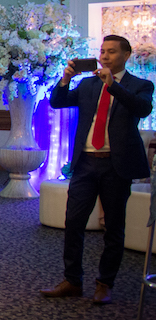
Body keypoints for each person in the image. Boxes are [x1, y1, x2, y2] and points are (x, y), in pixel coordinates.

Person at [42, 35, 154, 304]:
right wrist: (65, 79)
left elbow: (142, 109)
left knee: (113, 227)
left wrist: (113, 85)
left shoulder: (140, 85)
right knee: (73, 223)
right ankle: (72, 280)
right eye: (102, 51)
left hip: (116, 165)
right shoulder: (88, 84)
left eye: (111, 52)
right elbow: (57, 102)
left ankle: (105, 283)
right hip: (85, 162)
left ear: (126, 55)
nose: (104, 56)